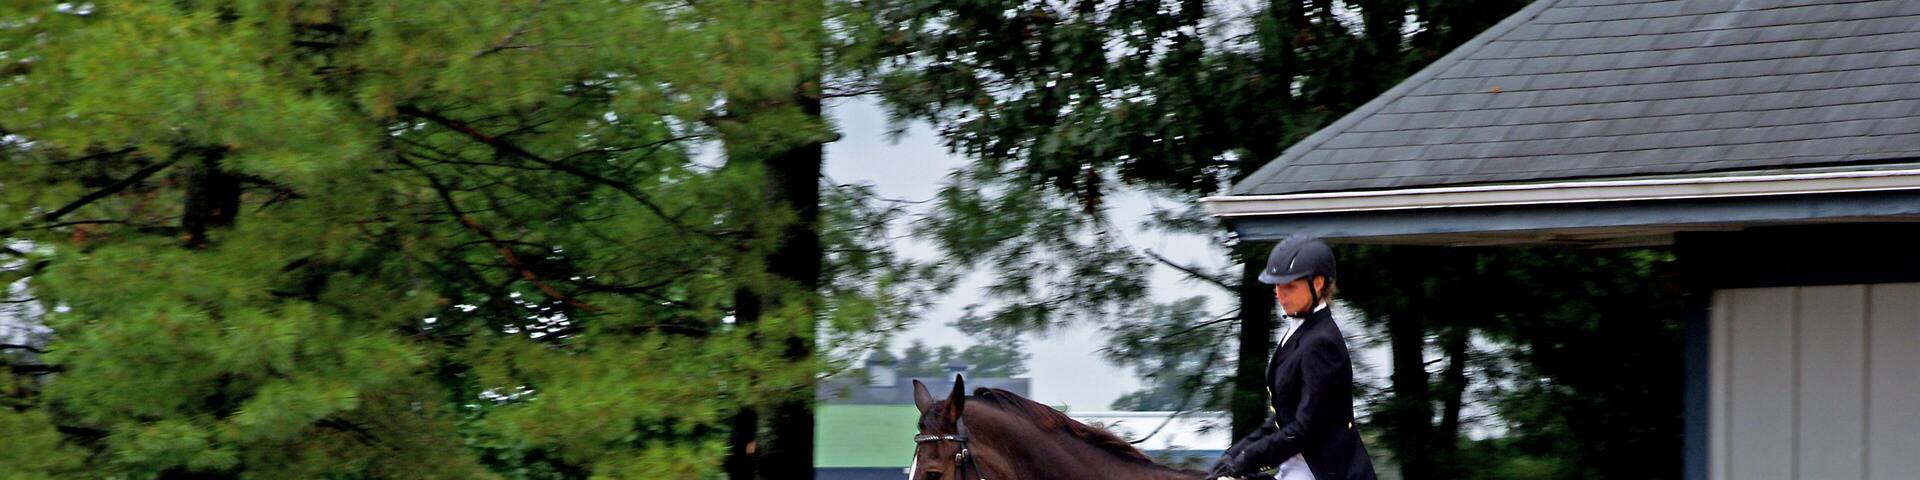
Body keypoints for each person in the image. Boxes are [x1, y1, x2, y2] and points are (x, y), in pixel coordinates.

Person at [1208, 236, 1378, 480]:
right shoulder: (1299, 333)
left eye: (1289, 287)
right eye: (1276, 286)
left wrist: (1249, 459)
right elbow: (1280, 421)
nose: (1279, 294)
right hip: (1295, 469)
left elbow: (1304, 429)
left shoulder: (1321, 343)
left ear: (1318, 283)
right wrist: (1232, 455)